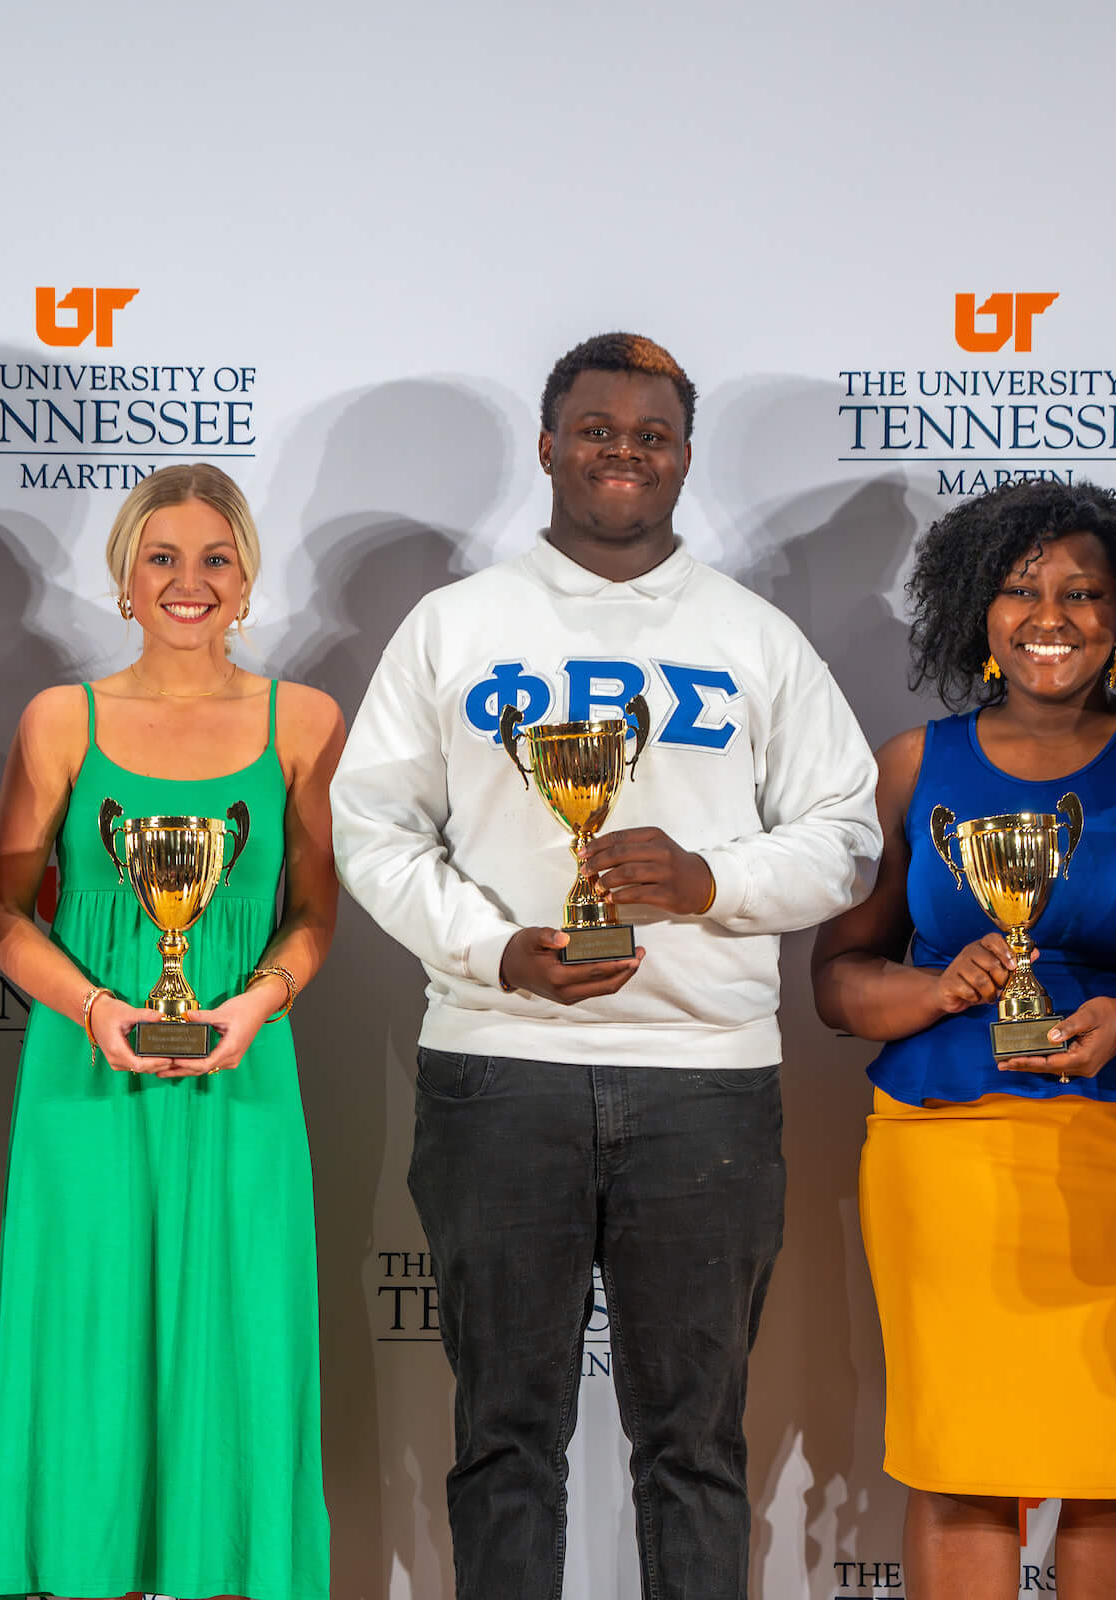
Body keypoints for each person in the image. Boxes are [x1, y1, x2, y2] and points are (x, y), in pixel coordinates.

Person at [329, 332, 880, 1598]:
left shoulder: (754, 637)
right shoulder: (455, 626)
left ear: (684, 457)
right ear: (548, 446)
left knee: (694, 1442)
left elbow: (846, 841)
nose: (621, 452)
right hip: (498, 1067)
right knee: (504, 1436)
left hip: (704, 1080)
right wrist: (496, 949)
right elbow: (372, 825)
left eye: (650, 434)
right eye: (595, 429)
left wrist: (710, 881)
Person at [810, 480, 1116, 1599]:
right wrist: (941, 988)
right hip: (945, 1150)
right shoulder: (914, 765)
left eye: (1083, 592)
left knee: (1115, 1471)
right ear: (978, 610)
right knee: (964, 1465)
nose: (1051, 615)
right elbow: (838, 981)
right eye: (1021, 590)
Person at [0, 464, 344, 1600]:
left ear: (248, 581)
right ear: (125, 580)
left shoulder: (307, 723)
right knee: (87, 1358)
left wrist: (256, 999)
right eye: (162, 558)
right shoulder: (60, 720)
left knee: (242, 1353)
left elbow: (317, 911)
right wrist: (94, 1006)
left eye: (215, 558)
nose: (190, 582)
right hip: (82, 1083)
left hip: (244, 1079)